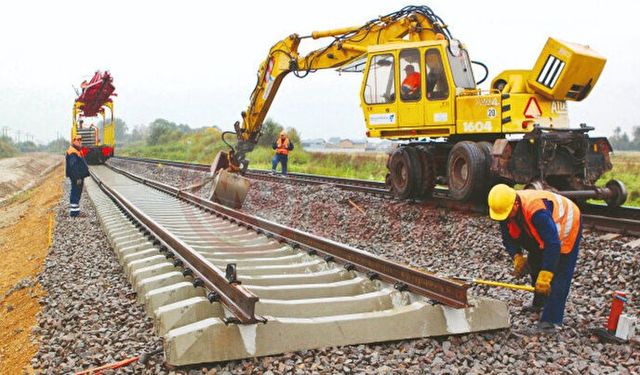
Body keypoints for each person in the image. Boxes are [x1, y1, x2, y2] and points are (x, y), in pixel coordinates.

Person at [487, 184, 582, 333]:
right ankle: (540, 302)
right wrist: (516, 256)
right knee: (535, 261)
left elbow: (553, 245)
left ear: (516, 204)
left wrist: (547, 273)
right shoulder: (505, 208)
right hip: (544, 230)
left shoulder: (537, 212)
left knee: (560, 271)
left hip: (566, 223)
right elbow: (507, 238)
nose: (504, 219)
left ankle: (552, 320)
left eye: (507, 215)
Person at [65, 135, 90, 217]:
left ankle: (76, 212)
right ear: (73, 141)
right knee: (75, 192)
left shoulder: (77, 150)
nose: (79, 141)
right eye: (77, 140)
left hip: (78, 177)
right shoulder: (72, 152)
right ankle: (74, 213)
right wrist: (78, 178)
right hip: (76, 177)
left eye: (80, 140)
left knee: (77, 192)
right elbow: (73, 167)